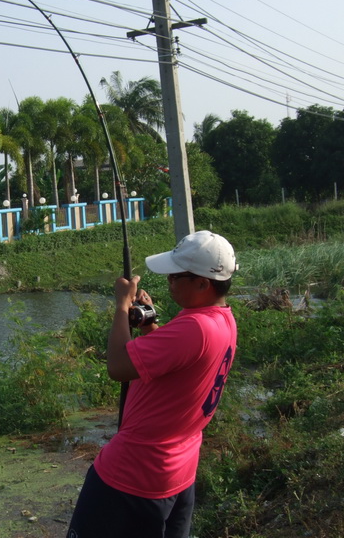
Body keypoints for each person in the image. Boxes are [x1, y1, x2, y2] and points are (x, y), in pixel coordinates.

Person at [66, 230, 238, 538]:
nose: (169, 280)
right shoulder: (221, 319)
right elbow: (180, 363)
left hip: (135, 472)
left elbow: (119, 367)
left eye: (176, 276)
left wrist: (121, 305)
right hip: (177, 471)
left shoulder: (194, 327)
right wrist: (149, 326)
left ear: (203, 283)